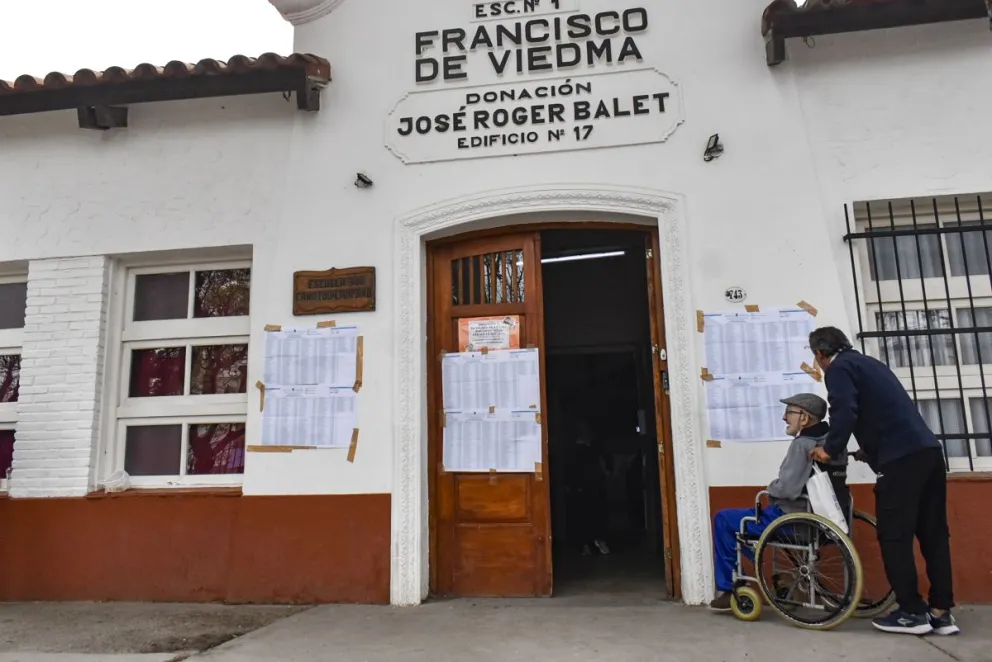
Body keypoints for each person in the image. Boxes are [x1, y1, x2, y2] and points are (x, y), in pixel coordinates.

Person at [807, 326, 958, 636]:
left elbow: (844, 412)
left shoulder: (838, 369)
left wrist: (829, 449)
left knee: (893, 536)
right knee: (933, 535)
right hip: (928, 453)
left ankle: (911, 612)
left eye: (816, 359)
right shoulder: (870, 364)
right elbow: (886, 411)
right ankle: (941, 613)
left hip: (900, 461)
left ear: (820, 354)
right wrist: (870, 450)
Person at [709, 393, 841, 612]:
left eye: (789, 412)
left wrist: (770, 488)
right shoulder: (830, 443)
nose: (784, 417)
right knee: (746, 521)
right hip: (823, 520)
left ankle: (731, 587)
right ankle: (761, 562)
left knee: (724, 519)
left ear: (804, 418)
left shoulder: (802, 445)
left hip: (791, 520)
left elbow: (787, 489)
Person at [567, 418, 611, 556]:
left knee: (598, 514)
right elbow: (571, 468)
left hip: (596, 484)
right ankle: (584, 545)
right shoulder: (574, 448)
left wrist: (606, 474)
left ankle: (599, 540)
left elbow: (605, 462)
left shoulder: (596, 445)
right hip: (581, 486)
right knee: (582, 516)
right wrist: (572, 485)